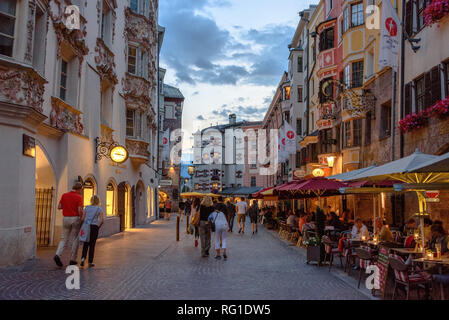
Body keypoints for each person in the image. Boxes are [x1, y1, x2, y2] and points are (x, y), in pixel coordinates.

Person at [54, 182, 84, 267]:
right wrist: (81, 218)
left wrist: (67, 206)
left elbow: (59, 206)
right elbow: (79, 210)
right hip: (75, 218)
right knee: (75, 239)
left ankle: (57, 254)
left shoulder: (64, 195)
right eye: (81, 189)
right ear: (78, 189)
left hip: (66, 218)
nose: (81, 191)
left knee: (63, 239)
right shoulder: (79, 197)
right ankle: (72, 259)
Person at [80, 195, 104, 268]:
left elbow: (82, 218)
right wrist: (98, 227)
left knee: (85, 243)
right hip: (94, 227)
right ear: (98, 201)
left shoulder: (86, 208)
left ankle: (83, 258)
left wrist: (83, 226)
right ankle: (90, 262)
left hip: (87, 226)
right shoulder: (99, 209)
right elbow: (102, 220)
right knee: (92, 244)